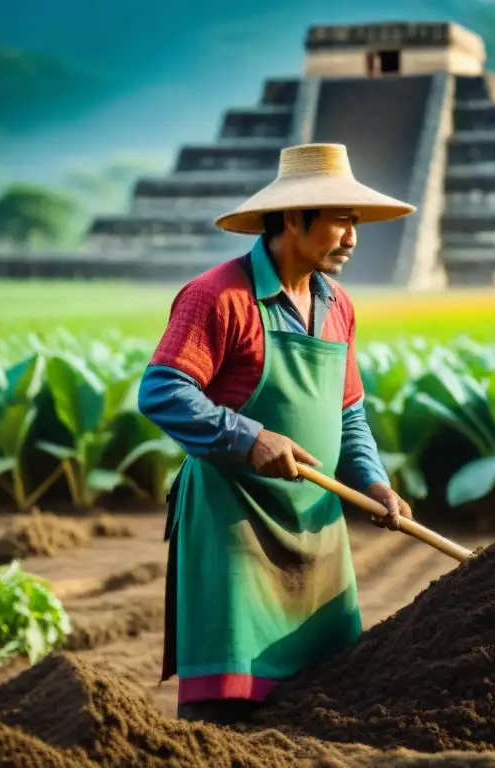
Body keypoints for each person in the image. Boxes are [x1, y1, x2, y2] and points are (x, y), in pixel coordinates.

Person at [137, 143, 417, 725]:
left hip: (317, 526)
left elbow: (350, 414)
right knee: (230, 707)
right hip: (235, 523)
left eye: (355, 221)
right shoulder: (218, 297)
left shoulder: (337, 305)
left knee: (328, 701)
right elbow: (162, 390)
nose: (353, 237)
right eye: (341, 220)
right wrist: (248, 437)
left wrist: (375, 482)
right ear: (294, 217)